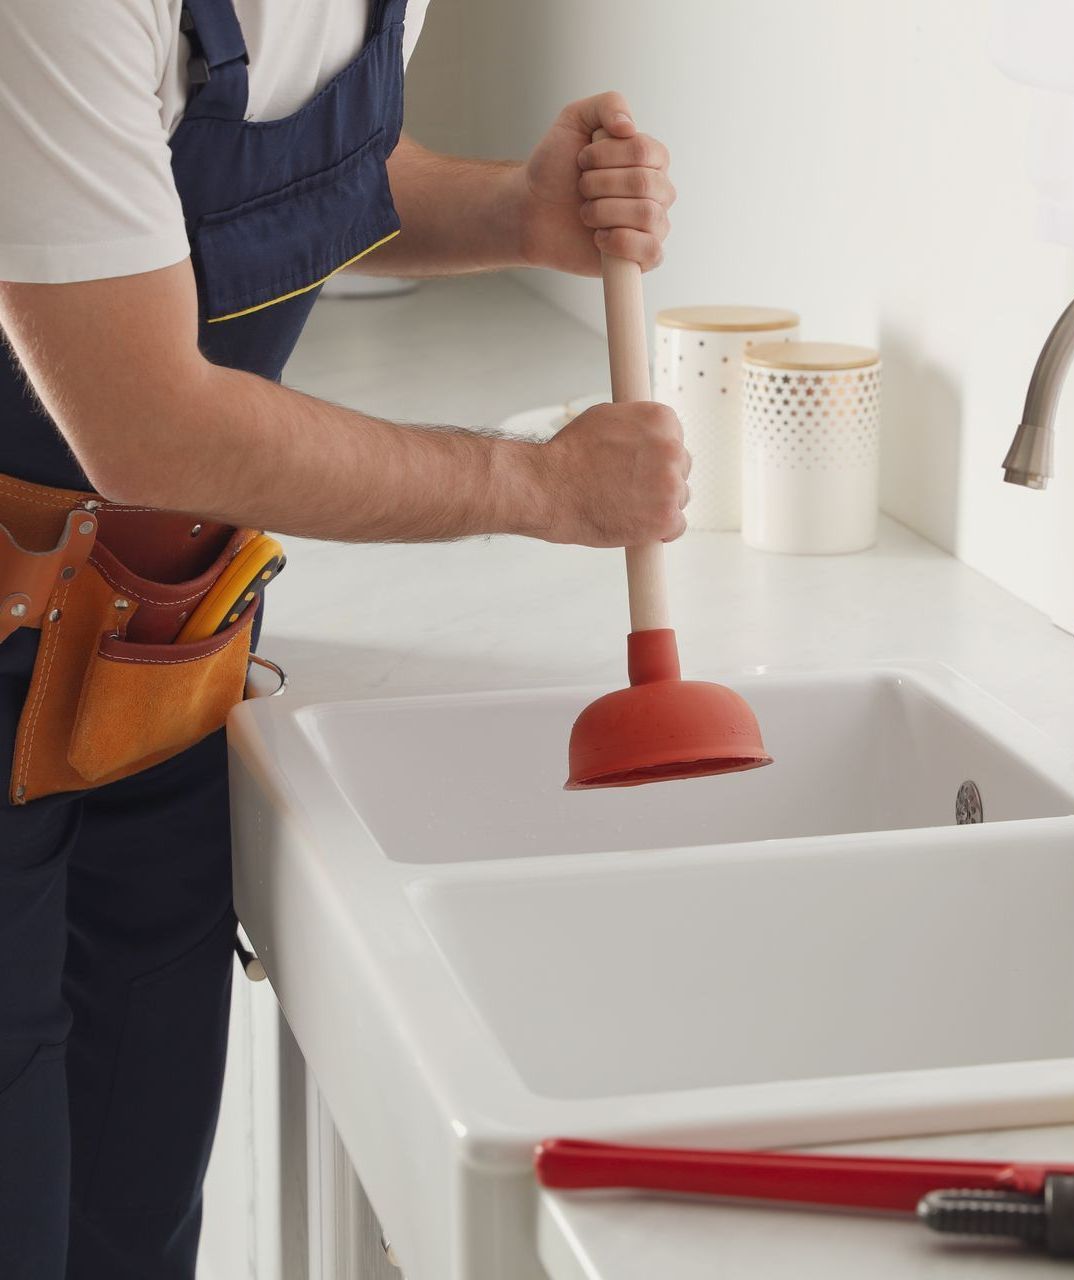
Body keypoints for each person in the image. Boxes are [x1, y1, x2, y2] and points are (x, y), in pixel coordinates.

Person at [0, 1, 682, 1275]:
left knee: (129, 1219)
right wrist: (534, 486)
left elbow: (240, 185)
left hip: (152, 657)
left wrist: (511, 212)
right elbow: (147, 427)